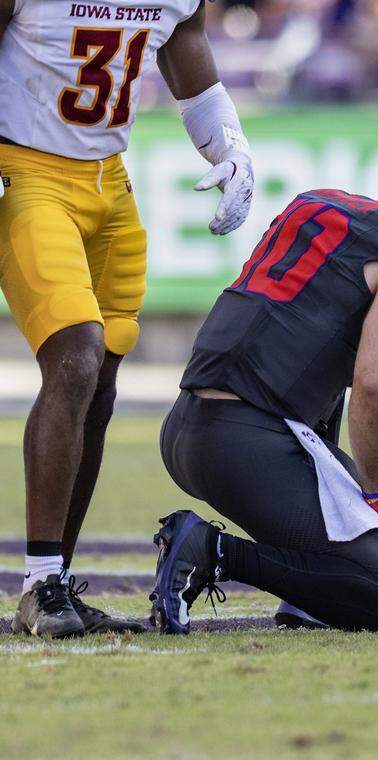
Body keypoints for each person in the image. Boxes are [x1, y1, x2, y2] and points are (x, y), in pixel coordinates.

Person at [152, 172, 378, 633]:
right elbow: (374, 381)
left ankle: (303, 600)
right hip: (243, 444)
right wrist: (377, 494)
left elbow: (303, 321)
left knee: (356, 515)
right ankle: (211, 552)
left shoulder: (324, 203)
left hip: (186, 429)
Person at [0, 0, 255, 638]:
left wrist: (228, 143)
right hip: (28, 174)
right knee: (75, 356)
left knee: (100, 383)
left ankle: (53, 579)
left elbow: (185, 48)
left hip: (109, 184)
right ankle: (38, 583)